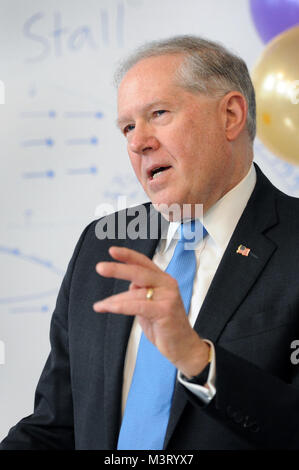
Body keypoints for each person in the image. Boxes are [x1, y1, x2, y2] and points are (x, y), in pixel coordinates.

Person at [1, 35, 299, 450]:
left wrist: (199, 359)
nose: (138, 142)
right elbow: (56, 426)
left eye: (158, 114)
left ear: (231, 115)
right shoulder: (101, 245)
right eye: (127, 127)